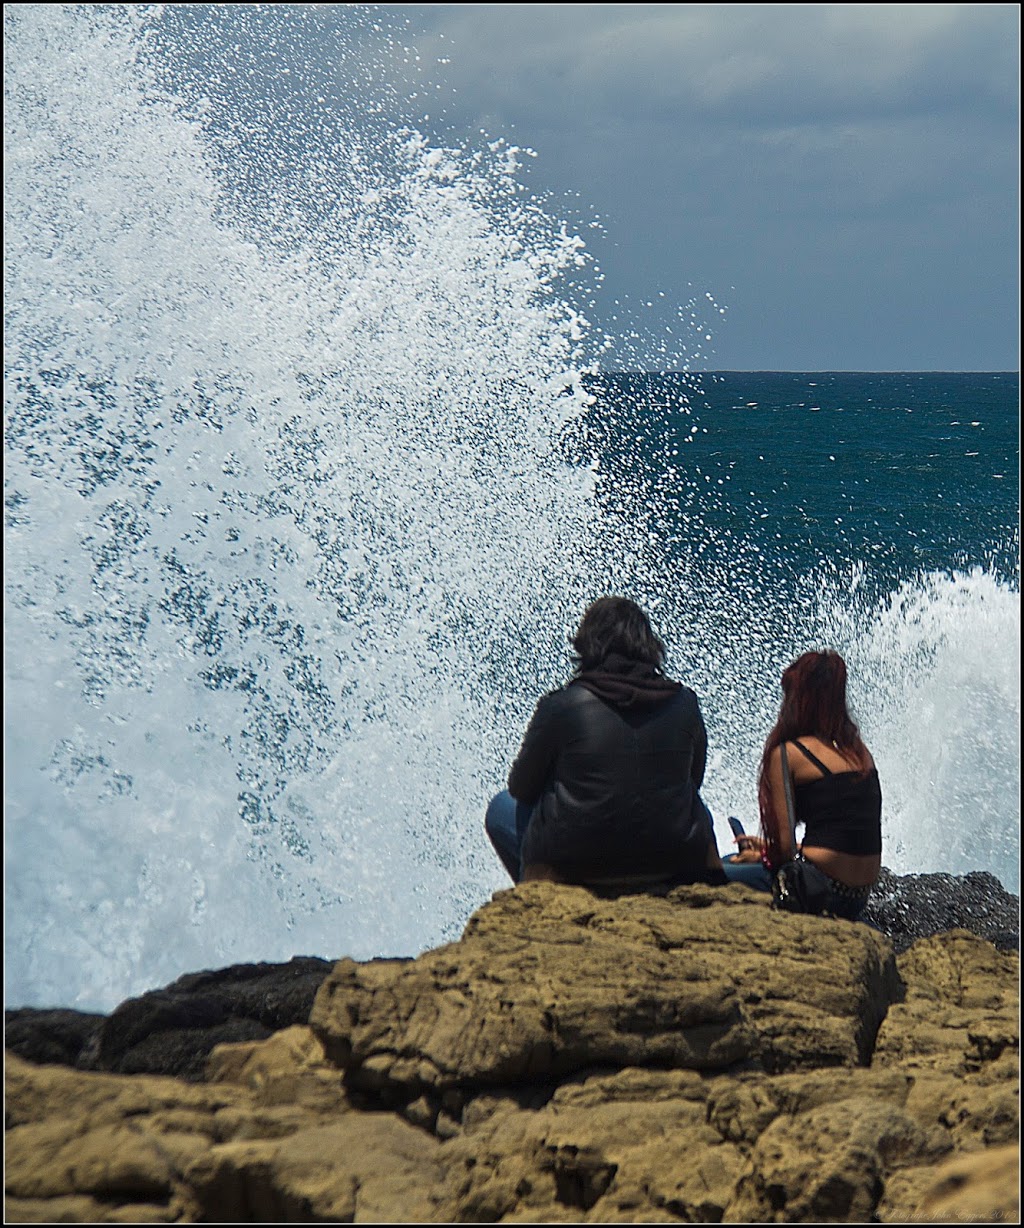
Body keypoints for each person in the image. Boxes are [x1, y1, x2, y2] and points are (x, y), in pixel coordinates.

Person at [485, 596, 726, 889]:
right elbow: (693, 780)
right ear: (648, 647)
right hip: (674, 860)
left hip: (579, 865)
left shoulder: (562, 705)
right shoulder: (685, 703)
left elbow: (521, 788)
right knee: (687, 801)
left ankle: (540, 895)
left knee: (502, 807)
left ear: (588, 647)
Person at [724, 649, 882, 919]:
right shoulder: (858, 752)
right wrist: (766, 848)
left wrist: (764, 857)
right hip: (857, 898)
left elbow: (784, 852)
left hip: (818, 892)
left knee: (719, 869)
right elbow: (842, 837)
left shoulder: (789, 754)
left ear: (801, 699)